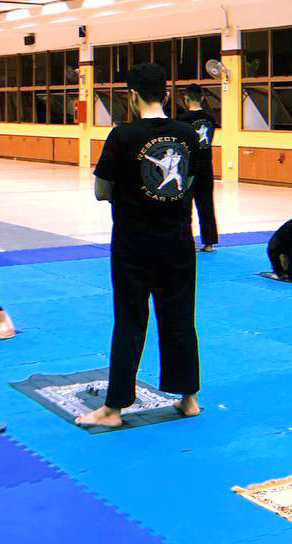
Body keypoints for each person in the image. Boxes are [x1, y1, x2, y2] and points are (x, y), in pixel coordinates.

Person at [76, 63, 202, 428]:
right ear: (165, 94)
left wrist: (126, 195)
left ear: (132, 96)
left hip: (134, 243)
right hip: (178, 241)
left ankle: (114, 408)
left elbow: (101, 191)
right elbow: (187, 183)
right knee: (179, 317)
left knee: (130, 320)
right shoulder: (188, 134)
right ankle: (189, 398)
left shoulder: (123, 135)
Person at [177, 84, 219, 252]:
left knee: (185, 205)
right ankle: (209, 242)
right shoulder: (210, 118)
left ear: (186, 98)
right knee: (206, 203)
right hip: (207, 164)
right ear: (202, 98)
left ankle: (188, 241)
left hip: (189, 166)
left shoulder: (182, 120)